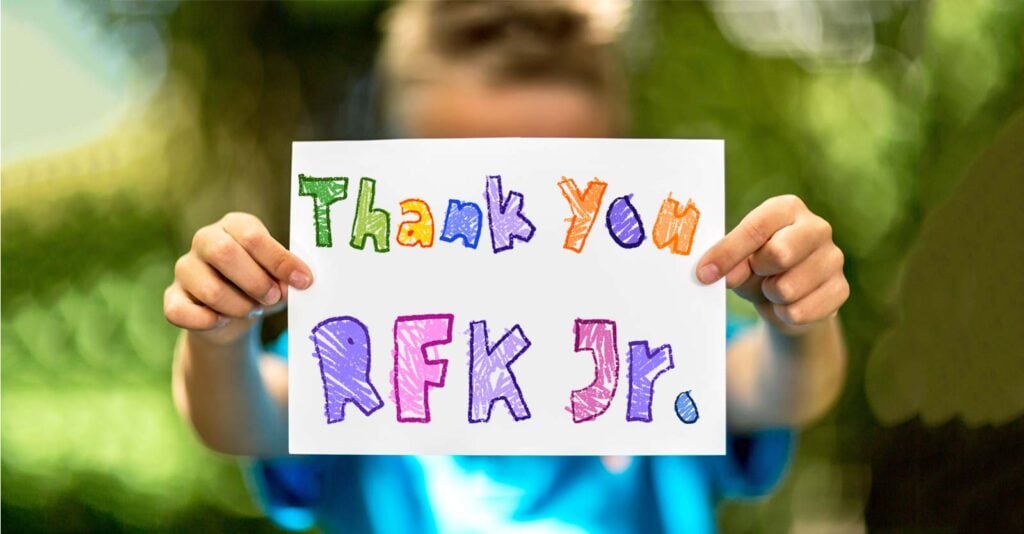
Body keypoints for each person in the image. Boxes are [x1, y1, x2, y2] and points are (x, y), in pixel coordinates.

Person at [164, 2, 849, 532]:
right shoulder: (360, 351)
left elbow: (783, 385)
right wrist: (218, 339)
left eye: (554, 184)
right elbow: (240, 416)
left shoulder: (657, 345)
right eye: (462, 182)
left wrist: (798, 320)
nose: (507, 218)